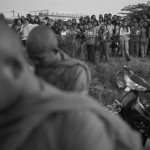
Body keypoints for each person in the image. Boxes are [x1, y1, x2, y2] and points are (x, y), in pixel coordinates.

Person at [0, 21, 142, 150]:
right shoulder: (29, 74)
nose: (30, 57)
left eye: (34, 53)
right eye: (25, 48)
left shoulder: (74, 72)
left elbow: (75, 107)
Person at [26, 26, 91, 94]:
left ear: (55, 51)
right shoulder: (30, 67)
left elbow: (75, 102)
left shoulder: (75, 71)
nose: (36, 62)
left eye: (40, 58)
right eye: (32, 58)